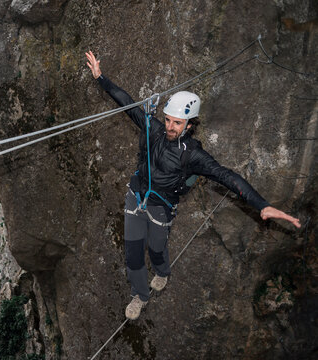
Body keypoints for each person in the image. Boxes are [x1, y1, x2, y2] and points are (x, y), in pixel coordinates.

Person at [85, 51, 301, 320]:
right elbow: (127, 103)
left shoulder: (193, 154)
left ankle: (162, 272)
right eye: (167, 120)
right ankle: (139, 295)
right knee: (133, 256)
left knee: (156, 249)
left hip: (162, 205)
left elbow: (226, 176)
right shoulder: (154, 129)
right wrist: (101, 78)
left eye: (177, 123)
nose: (170, 127)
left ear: (189, 125)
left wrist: (262, 205)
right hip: (136, 194)